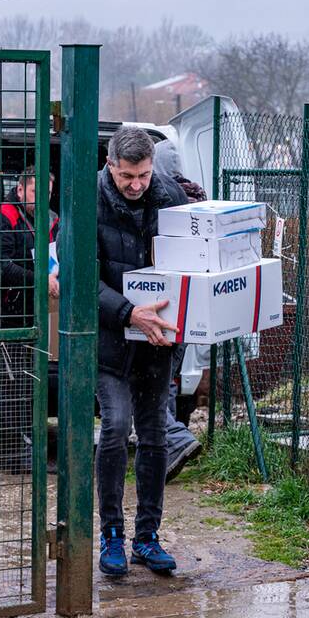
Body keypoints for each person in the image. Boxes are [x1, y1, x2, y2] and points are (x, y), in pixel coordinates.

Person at [95, 126, 188, 577]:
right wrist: (130, 313)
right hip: (111, 339)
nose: (136, 185)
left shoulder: (170, 196)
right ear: (111, 165)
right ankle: (110, 534)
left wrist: (183, 323)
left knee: (155, 437)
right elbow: (80, 278)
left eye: (144, 176)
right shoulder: (86, 200)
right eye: (128, 176)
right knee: (114, 429)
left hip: (158, 341)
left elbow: (193, 267)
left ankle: (147, 538)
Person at [0, 166, 59, 475]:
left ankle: (7, 450)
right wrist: (40, 279)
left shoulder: (47, 219)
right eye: (36, 192)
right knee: (5, 383)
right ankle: (9, 452)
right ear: (21, 190)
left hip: (28, 313)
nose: (42, 199)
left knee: (21, 381)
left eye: (47, 193)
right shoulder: (4, 216)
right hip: (1, 314)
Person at [151, 140, 206, 482]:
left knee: (150, 383)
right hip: (191, 306)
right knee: (167, 379)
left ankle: (174, 441)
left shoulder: (166, 201)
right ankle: (167, 451)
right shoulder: (199, 197)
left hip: (162, 302)